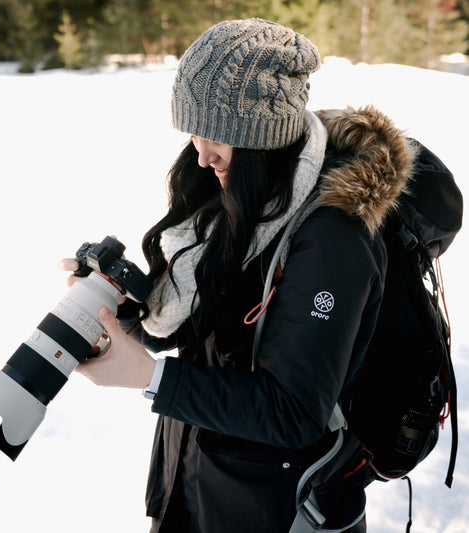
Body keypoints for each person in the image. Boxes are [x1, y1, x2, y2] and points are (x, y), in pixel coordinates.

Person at [60, 18, 415, 533]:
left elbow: (293, 412)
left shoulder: (333, 240)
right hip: (191, 489)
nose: (201, 155)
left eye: (217, 136)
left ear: (261, 137)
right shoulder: (241, 202)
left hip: (275, 510)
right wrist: (120, 311)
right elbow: (206, 331)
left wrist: (150, 377)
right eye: (194, 133)